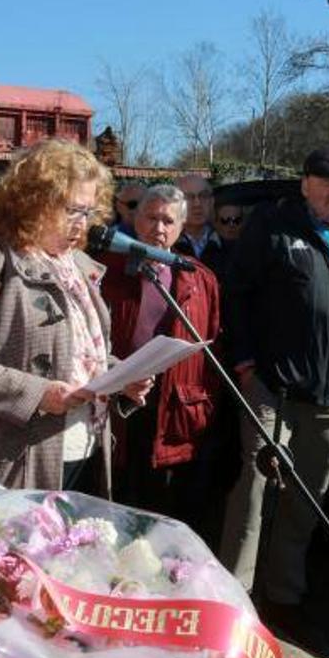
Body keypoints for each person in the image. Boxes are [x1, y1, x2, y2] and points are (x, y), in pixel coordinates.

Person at [0, 139, 151, 491]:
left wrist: (120, 377)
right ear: (32, 200)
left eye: (88, 212)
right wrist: (38, 393)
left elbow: (76, 354)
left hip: (83, 449)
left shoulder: (80, 266)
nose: (82, 224)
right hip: (2, 464)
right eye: (72, 210)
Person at [219, 145, 329, 617]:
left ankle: (284, 595)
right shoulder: (272, 229)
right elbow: (237, 296)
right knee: (253, 491)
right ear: (306, 184)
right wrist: (248, 362)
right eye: (328, 180)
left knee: (307, 499)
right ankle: (235, 602)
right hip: (273, 388)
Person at [99, 184, 221, 524]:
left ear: (182, 227)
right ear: (135, 220)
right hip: (119, 399)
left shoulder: (199, 278)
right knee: (118, 498)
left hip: (173, 406)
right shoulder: (107, 268)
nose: (159, 228)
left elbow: (212, 347)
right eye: (151, 218)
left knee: (162, 508)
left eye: (168, 220)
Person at [173, 174, 230, 275]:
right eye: (189, 197)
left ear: (212, 202)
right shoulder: (168, 245)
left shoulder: (227, 242)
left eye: (203, 196)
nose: (197, 203)